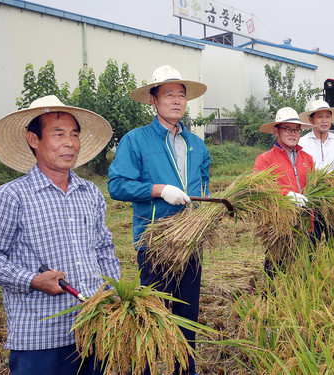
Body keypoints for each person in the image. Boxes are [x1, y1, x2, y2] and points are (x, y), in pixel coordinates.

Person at [0, 95, 120, 375]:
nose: (70, 143)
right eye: (59, 134)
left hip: (93, 328)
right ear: (33, 140)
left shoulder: (90, 193)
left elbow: (103, 249)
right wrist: (31, 280)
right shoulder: (10, 197)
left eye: (75, 134)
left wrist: (116, 295)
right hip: (40, 338)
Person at [108, 65, 210, 375]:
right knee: (152, 316)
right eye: (169, 95)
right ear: (153, 101)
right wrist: (158, 189)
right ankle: (147, 369)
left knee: (186, 317)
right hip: (155, 243)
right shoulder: (136, 140)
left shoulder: (197, 144)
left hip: (191, 243)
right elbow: (117, 185)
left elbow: (205, 186)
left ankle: (184, 369)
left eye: (181, 95)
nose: (177, 101)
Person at [253, 107, 315, 278]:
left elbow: (314, 185)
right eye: (288, 129)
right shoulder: (265, 159)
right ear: (276, 131)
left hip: (305, 226)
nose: (293, 133)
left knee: (304, 275)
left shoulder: (307, 159)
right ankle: (270, 303)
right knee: (275, 276)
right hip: (279, 228)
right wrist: (285, 195)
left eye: (296, 130)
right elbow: (258, 189)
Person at [298, 99, 334, 176]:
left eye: (327, 117)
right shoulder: (302, 144)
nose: (324, 121)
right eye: (320, 117)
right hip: (312, 187)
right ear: (311, 120)